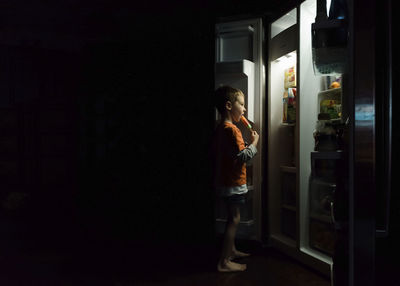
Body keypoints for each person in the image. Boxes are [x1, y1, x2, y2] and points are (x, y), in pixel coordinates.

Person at [211, 85, 259, 272]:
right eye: (242, 104)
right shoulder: (233, 130)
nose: (245, 109)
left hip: (224, 182)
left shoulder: (221, 128)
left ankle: (230, 250)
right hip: (233, 183)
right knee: (235, 219)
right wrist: (254, 143)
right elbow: (243, 157)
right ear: (229, 105)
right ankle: (224, 262)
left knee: (232, 217)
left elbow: (230, 153)